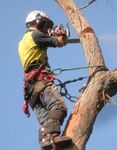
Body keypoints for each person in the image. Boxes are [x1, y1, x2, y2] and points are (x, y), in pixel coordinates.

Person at [18, 10, 71, 150]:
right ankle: (49, 137)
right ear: (38, 21)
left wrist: (52, 35)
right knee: (59, 107)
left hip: (30, 90)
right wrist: (60, 36)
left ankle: (48, 141)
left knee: (46, 120)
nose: (46, 28)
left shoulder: (24, 40)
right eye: (45, 24)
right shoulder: (35, 35)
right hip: (41, 81)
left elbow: (44, 40)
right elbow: (59, 42)